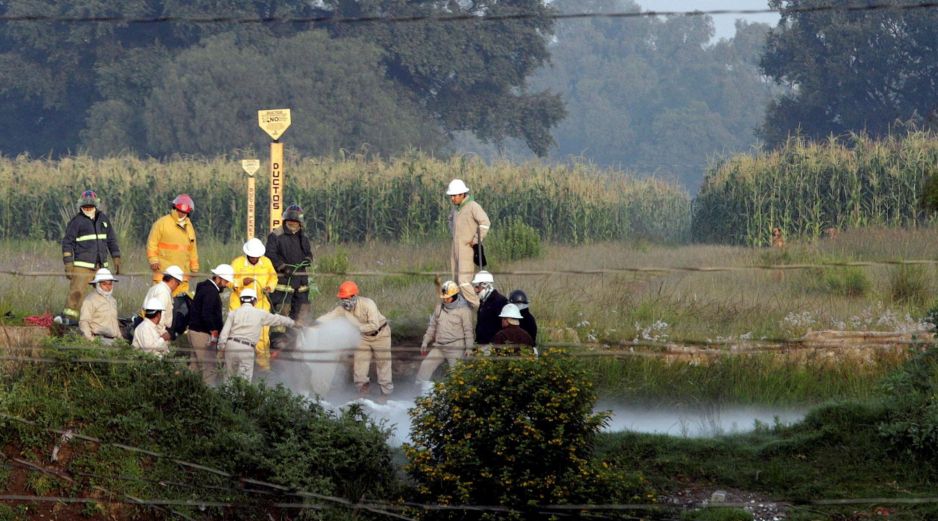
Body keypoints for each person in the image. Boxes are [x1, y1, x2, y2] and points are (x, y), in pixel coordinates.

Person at [318, 281, 393, 399]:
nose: (344, 301)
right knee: (359, 365)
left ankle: (385, 394)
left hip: (380, 334)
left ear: (354, 296)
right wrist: (315, 323)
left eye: (346, 298)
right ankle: (363, 392)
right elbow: (329, 316)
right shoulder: (342, 309)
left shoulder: (368, 304)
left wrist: (357, 328)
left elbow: (374, 325)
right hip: (362, 337)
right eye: (342, 298)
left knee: (383, 364)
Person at [59, 190, 121, 325]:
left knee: (104, 294)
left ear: (96, 205)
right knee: (77, 293)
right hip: (82, 265)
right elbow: (67, 242)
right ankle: (69, 321)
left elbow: (111, 240)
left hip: (101, 266)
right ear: (81, 206)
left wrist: (116, 256)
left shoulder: (103, 219)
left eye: (90, 207)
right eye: (85, 207)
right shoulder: (76, 222)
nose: (88, 209)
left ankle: (101, 320)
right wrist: (68, 263)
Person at [218, 289, 295, 382]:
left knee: (228, 378)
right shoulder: (260, 314)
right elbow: (277, 319)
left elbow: (224, 334)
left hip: (231, 346)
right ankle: (240, 396)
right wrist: (292, 323)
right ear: (254, 301)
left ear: (240, 300)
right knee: (244, 380)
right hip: (247, 348)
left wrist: (221, 347)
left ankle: (226, 395)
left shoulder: (233, 313)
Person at [415, 280, 474, 391]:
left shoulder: (464, 310)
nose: (445, 300)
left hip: (456, 346)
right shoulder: (439, 308)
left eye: (448, 297)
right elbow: (432, 327)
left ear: (455, 296)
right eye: (444, 298)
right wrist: (425, 341)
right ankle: (417, 392)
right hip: (439, 346)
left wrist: (469, 348)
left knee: (457, 375)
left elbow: (468, 331)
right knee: (425, 366)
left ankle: (458, 399)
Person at [229, 238, 278, 370]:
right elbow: (229, 281)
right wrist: (241, 282)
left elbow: (273, 277)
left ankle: (263, 369)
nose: (255, 259)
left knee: (262, 339)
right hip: (239, 305)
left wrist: (269, 287)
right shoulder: (237, 263)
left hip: (260, 304)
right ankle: (236, 370)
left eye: (257, 256)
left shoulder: (266, 262)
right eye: (252, 256)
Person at [266, 204, 314, 322]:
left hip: (301, 285)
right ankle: (279, 340)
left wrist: (308, 258)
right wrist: (283, 267)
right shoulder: (276, 235)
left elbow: (308, 252)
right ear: (285, 220)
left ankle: (298, 339)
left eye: (295, 221)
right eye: (290, 221)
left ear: (300, 223)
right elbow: (270, 255)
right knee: (281, 318)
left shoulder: (303, 237)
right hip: (283, 284)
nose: (293, 224)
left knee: (301, 316)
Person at [188, 264, 234, 386]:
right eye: (225, 281)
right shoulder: (211, 292)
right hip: (202, 335)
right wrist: (213, 330)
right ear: (218, 278)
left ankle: (186, 395)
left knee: (195, 368)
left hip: (194, 332)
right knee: (209, 369)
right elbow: (206, 313)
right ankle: (208, 399)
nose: (226, 284)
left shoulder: (204, 287)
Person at [447, 179, 490, 308]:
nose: (453, 198)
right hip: (455, 249)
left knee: (463, 282)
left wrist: (476, 240)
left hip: (467, 249)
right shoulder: (456, 209)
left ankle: (480, 306)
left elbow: (485, 223)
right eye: (452, 196)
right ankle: (464, 311)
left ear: (462, 194)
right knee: (456, 282)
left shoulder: (473, 206)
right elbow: (449, 220)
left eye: (455, 195)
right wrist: (454, 234)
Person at [146, 194, 199, 296]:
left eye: (185, 212)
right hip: (163, 275)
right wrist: (153, 260)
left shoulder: (189, 226)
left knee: (180, 307)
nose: (182, 214)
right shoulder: (162, 223)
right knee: (159, 303)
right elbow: (152, 243)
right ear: (175, 208)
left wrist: (194, 267)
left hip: (182, 277)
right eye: (180, 211)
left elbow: (192, 248)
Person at [78, 268, 121, 344]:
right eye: (104, 284)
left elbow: (114, 323)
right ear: (97, 284)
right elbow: (84, 322)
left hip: (114, 341)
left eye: (110, 284)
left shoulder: (113, 301)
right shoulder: (90, 300)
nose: (108, 287)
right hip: (99, 340)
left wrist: (121, 340)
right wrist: (91, 340)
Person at [141, 265, 183, 334]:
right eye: (178, 284)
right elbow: (160, 315)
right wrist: (162, 334)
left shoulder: (156, 288)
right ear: (173, 281)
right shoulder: (163, 292)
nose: (177, 286)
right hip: (156, 332)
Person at [473, 270, 508, 344]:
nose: (475, 290)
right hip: (481, 344)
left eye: (477, 287)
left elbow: (504, 326)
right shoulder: (483, 301)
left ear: (485, 285)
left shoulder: (500, 301)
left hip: (493, 346)